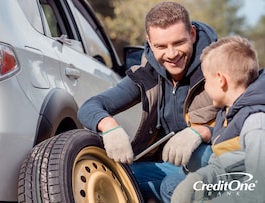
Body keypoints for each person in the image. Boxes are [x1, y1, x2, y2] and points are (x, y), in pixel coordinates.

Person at [77, 1, 220, 202]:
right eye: (161, 46)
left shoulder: (222, 65)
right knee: (118, 178)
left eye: (179, 43)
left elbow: (249, 122)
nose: (171, 54)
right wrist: (109, 127)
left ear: (193, 34)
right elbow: (90, 106)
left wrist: (203, 132)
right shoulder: (147, 75)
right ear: (150, 43)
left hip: (216, 163)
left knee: (174, 186)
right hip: (170, 165)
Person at [171, 36, 265, 203]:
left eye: (206, 79)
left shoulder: (256, 125)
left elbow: (258, 192)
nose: (205, 86)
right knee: (172, 186)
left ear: (221, 80)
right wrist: (198, 179)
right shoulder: (226, 113)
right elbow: (227, 164)